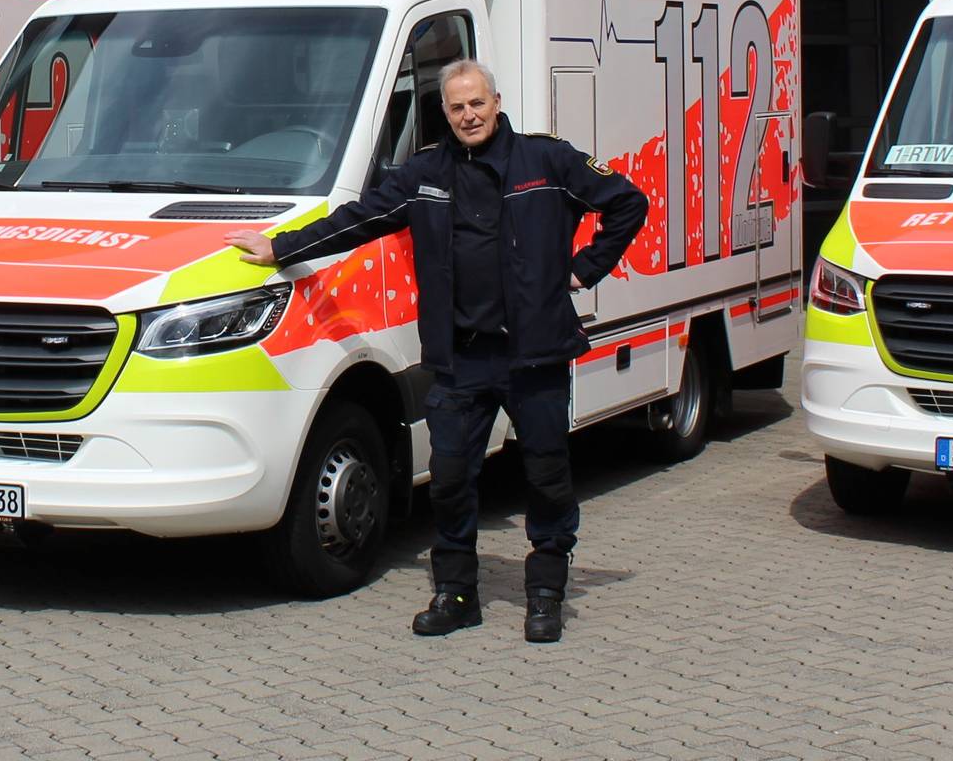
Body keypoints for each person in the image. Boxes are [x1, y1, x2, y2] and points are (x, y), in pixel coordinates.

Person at [226, 60, 645, 643]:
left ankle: (546, 592)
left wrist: (583, 269)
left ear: (496, 102)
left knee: (547, 477)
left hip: (534, 355)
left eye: (477, 104)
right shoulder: (425, 172)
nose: (468, 116)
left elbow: (628, 203)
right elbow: (360, 219)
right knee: (449, 479)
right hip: (459, 359)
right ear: (444, 112)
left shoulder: (547, 161)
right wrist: (279, 247)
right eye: (456, 107)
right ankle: (456, 594)